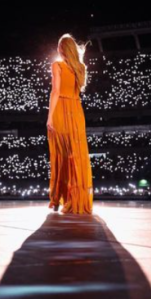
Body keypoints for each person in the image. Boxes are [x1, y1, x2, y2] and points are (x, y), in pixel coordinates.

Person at [46, 33, 93, 214]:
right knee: (77, 156)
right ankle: (76, 199)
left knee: (60, 156)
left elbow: (55, 91)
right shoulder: (80, 68)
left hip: (61, 112)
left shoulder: (57, 65)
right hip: (76, 113)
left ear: (61, 49)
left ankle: (57, 199)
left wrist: (50, 116)